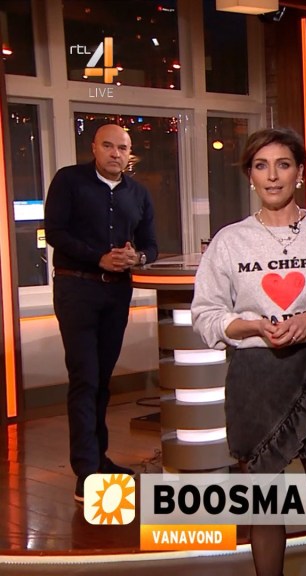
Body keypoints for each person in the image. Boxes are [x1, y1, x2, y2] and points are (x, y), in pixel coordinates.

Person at [191, 128, 306, 576]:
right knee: (266, 516)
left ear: (300, 172)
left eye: (283, 165)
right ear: (250, 176)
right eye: (261, 166)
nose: (272, 176)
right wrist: (251, 326)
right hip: (255, 382)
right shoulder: (229, 241)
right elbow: (207, 315)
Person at [44, 123, 158, 502]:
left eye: (122, 148)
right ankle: (86, 472)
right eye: (108, 146)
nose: (115, 153)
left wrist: (137, 257)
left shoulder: (138, 193)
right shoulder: (69, 181)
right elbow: (55, 233)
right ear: (94, 148)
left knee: (103, 381)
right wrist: (99, 257)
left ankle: (99, 459)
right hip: (76, 288)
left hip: (117, 293)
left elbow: (152, 244)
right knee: (85, 379)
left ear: (129, 153)